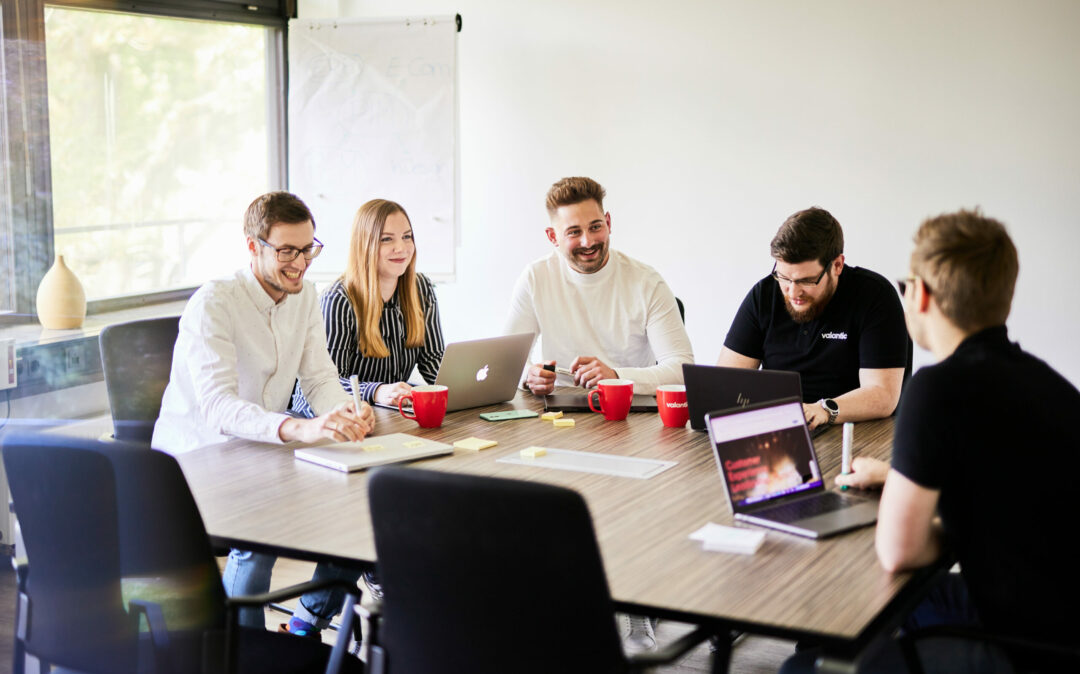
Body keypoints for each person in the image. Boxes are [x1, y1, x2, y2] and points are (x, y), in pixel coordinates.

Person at [785, 210, 1080, 672]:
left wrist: (940, 519)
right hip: (1059, 618)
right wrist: (901, 479)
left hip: (1022, 645)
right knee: (856, 620)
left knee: (803, 668)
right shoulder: (1049, 385)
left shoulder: (938, 387)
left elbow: (900, 550)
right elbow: (1009, 492)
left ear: (919, 295)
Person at [153, 191, 375, 637]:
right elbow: (217, 406)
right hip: (197, 462)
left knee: (363, 506)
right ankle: (245, 650)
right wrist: (298, 427)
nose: (301, 262)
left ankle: (305, 629)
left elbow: (317, 377)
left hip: (259, 452)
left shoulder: (305, 296)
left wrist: (343, 411)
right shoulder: (214, 304)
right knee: (263, 531)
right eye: (287, 251)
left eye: (308, 248)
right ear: (253, 246)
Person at [717, 207, 909, 430]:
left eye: (806, 281)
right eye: (784, 278)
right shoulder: (764, 294)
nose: (792, 292)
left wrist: (823, 410)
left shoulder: (874, 296)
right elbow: (727, 383)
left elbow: (882, 396)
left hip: (856, 432)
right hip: (782, 430)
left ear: (837, 265)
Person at [505, 176, 694, 397]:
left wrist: (615, 377)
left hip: (629, 409)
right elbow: (507, 363)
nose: (588, 242)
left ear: (608, 223)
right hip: (557, 411)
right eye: (574, 232)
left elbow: (681, 369)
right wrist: (529, 376)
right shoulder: (535, 278)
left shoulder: (648, 283)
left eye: (595, 227)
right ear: (553, 236)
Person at [292, 198, 444, 415]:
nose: (401, 248)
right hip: (337, 419)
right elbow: (325, 384)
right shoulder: (339, 300)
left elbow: (433, 362)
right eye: (386, 239)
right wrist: (376, 391)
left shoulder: (422, 289)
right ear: (366, 245)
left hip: (388, 417)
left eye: (407, 237)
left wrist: (463, 388)